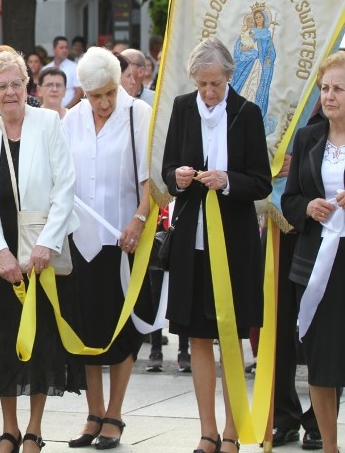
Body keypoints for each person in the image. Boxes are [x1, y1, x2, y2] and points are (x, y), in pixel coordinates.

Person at [161, 37, 271, 453]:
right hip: (193, 240)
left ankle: (231, 431)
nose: (208, 92)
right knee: (198, 338)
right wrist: (179, 178)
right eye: (202, 83)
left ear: (229, 77)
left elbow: (260, 181)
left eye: (215, 84)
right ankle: (207, 431)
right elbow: (168, 168)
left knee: (231, 336)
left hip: (235, 243)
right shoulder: (182, 107)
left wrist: (227, 181)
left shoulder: (247, 113)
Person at [0, 48, 82, 453]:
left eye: (16, 84)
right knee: (3, 340)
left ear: (27, 87)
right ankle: (9, 429)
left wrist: (46, 244)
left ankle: (34, 429)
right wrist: (0, 252)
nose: (10, 92)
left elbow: (65, 187)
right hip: (3, 259)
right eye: (0, 86)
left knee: (42, 342)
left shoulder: (48, 123)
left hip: (43, 254)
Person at [61, 47, 152, 450]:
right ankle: (93, 413)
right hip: (80, 240)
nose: (103, 102)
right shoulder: (73, 118)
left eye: (110, 93)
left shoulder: (138, 114)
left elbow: (152, 183)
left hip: (123, 239)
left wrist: (139, 219)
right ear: (83, 90)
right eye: (95, 94)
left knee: (121, 330)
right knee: (85, 327)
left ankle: (115, 414)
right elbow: (61, 176)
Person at [282, 51, 345, 453]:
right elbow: (289, 200)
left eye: (339, 89)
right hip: (318, 261)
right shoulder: (308, 137)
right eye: (325, 88)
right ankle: (329, 447)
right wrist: (308, 206)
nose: (330, 96)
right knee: (321, 360)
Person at [41, 36, 82, 108]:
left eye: (66, 47)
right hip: (48, 112)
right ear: (54, 49)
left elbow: (79, 93)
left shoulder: (75, 67)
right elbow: (40, 91)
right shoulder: (45, 69)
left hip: (68, 112)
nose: (65, 50)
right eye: (61, 48)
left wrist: (66, 110)